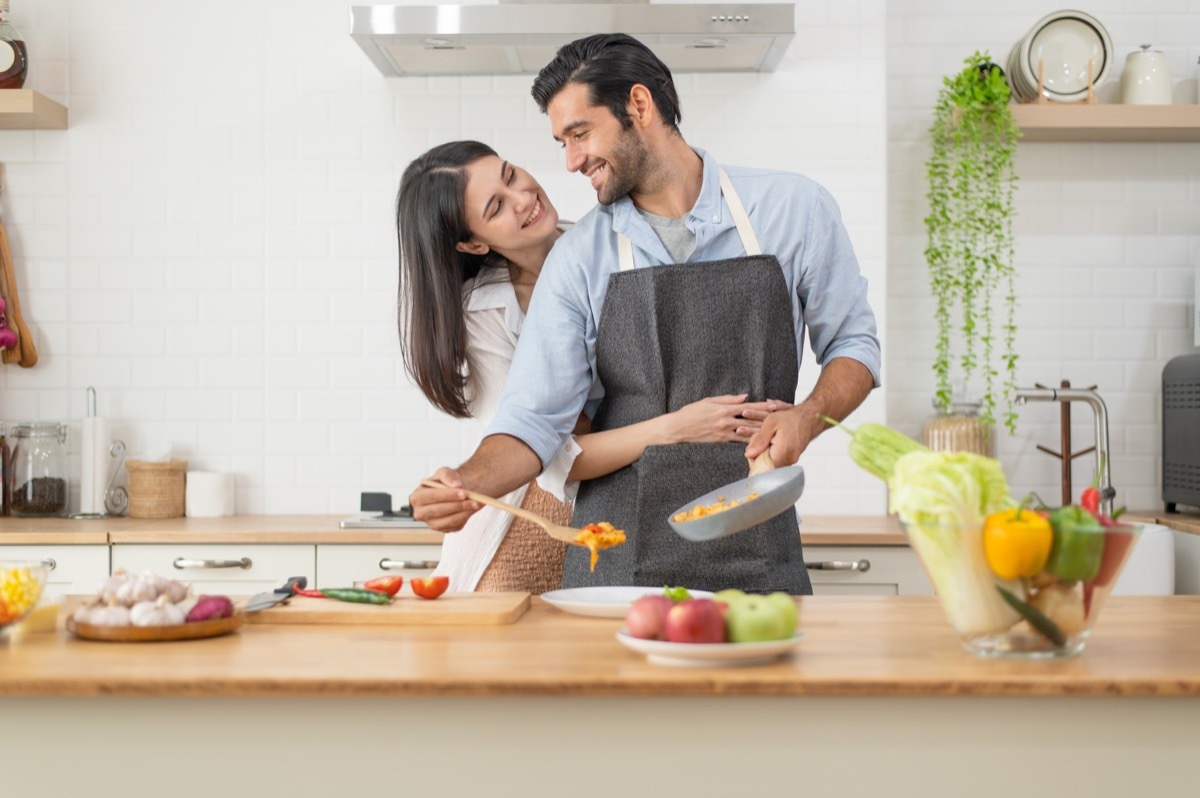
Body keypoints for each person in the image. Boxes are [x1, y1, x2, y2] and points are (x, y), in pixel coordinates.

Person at [409, 34, 881, 594]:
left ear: (638, 105)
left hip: (757, 538)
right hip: (616, 558)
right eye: (563, 141)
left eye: (580, 134)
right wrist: (464, 480)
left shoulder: (792, 209)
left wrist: (809, 415)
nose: (571, 160)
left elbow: (854, 345)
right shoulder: (578, 258)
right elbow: (534, 421)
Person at [396, 140, 778, 593]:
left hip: (625, 517)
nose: (523, 198)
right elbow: (557, 462)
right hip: (524, 535)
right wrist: (677, 427)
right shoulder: (484, 315)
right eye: (496, 206)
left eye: (511, 174)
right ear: (473, 242)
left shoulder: (607, 246)